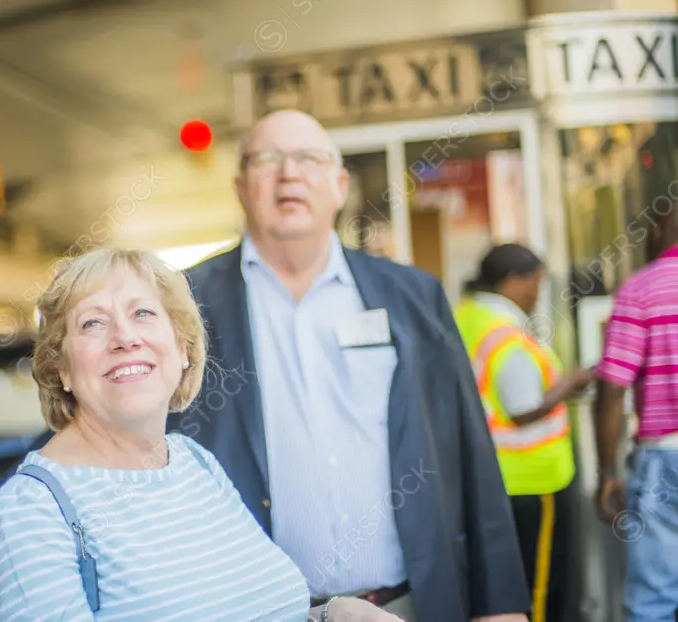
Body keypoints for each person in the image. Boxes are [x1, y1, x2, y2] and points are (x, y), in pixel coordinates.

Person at [167, 109, 529, 622]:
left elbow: (471, 452)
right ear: (241, 186)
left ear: (339, 185)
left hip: (413, 606)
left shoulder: (412, 295)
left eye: (308, 158)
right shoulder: (185, 303)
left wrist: (501, 606)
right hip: (255, 612)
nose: (289, 173)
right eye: (267, 159)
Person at [0, 248, 400, 621]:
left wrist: (328, 614)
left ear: (182, 349)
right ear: (62, 369)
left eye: (143, 313)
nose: (125, 337)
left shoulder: (193, 462)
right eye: (92, 323)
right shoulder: (32, 511)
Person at [453, 244, 594, 622]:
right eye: (535, 283)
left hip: (495, 479)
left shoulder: (467, 316)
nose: (537, 293)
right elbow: (522, 409)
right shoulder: (506, 335)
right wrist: (572, 382)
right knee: (542, 586)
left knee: (507, 584)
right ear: (513, 282)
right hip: (533, 479)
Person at [593, 206, 678, 621]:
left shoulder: (642, 289)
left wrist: (607, 471)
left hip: (665, 456)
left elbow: (612, 387)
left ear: (662, 228)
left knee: (654, 598)